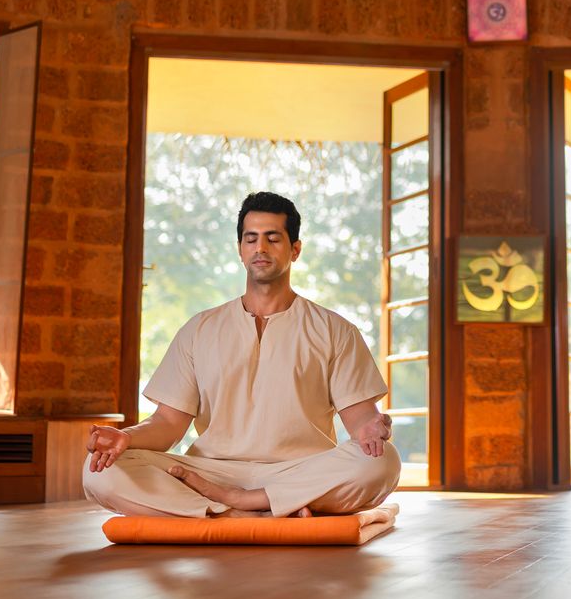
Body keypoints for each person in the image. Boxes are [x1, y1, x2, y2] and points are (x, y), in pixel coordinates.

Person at [83, 191, 400, 519]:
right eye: (251, 239)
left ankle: (242, 505)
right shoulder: (199, 329)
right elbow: (167, 424)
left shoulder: (335, 330)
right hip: (211, 473)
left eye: (272, 238)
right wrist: (125, 437)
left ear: (295, 249)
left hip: (300, 471)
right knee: (100, 471)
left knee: (382, 461)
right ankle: (249, 512)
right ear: (240, 249)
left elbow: (360, 418)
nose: (260, 248)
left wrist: (370, 429)